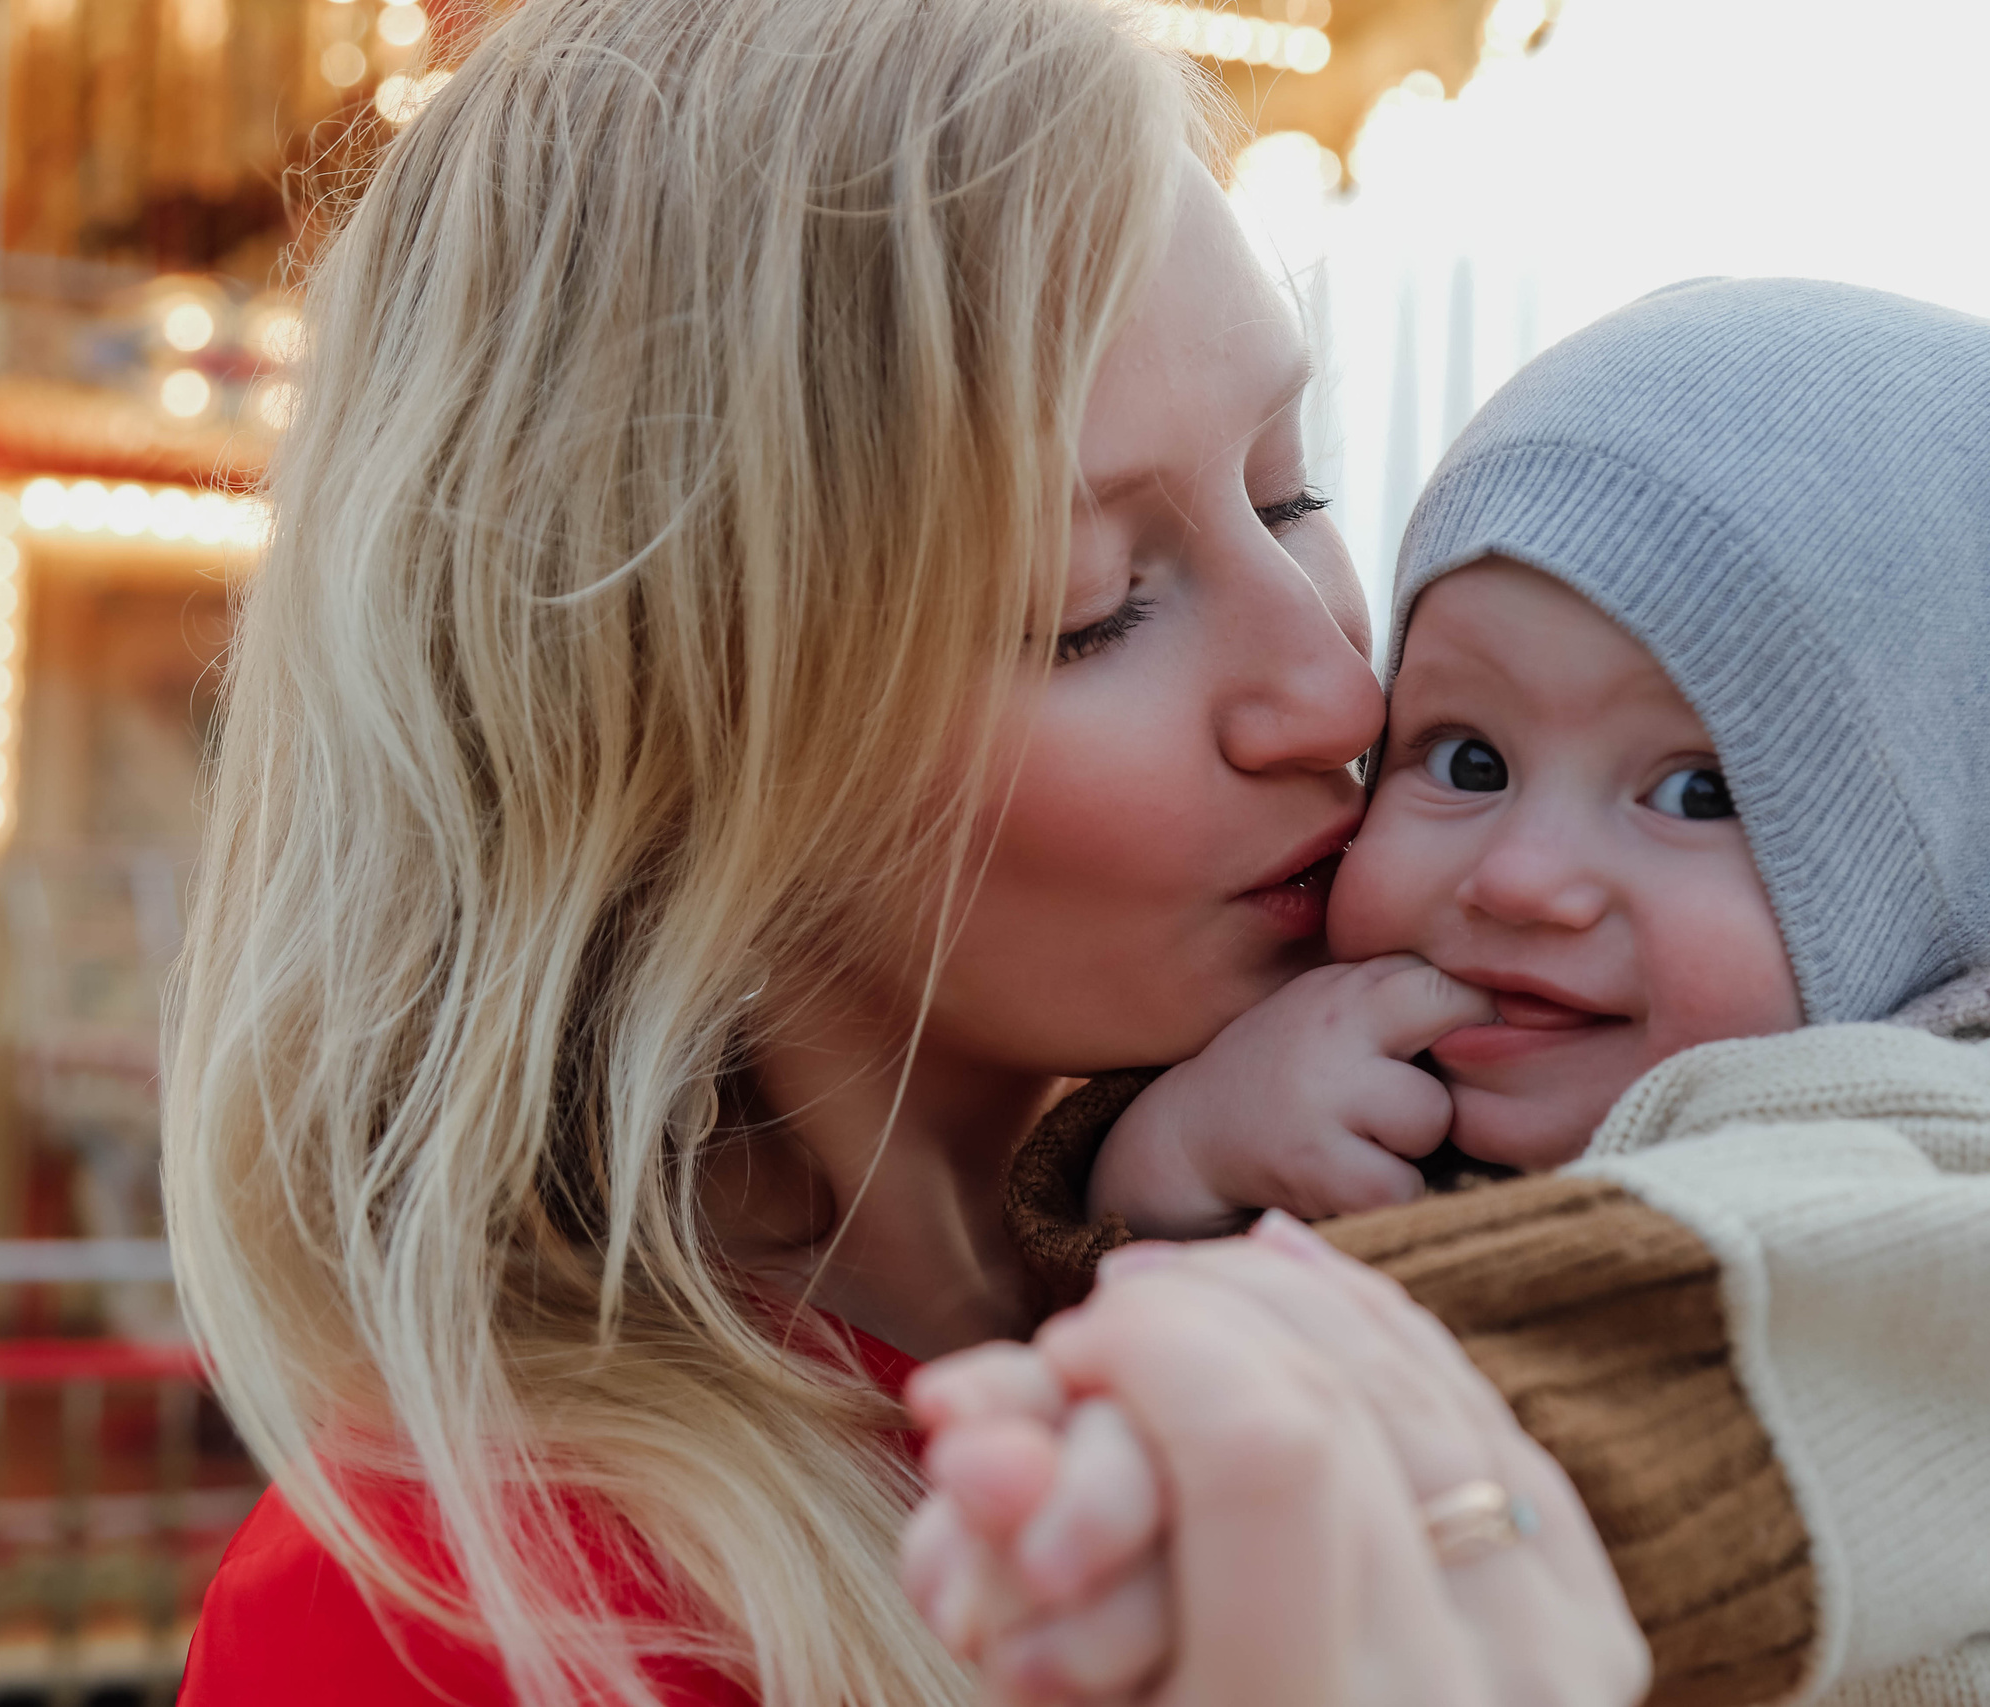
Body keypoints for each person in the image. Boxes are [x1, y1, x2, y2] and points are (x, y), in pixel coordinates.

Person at [162, 0, 1650, 1701]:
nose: (1335, 690)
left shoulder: (1401, 1182)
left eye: (1289, 496)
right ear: (662, 737)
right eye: (1090, 610)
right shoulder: (453, 1622)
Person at [909, 279, 1990, 1705]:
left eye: (1697, 791)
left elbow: (1686, 1348)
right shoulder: (1417, 1099)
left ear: (1924, 882)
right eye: (1466, 758)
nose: (1526, 875)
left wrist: (1194, 1479)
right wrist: (1170, 1171)